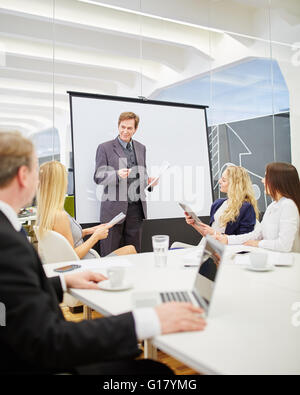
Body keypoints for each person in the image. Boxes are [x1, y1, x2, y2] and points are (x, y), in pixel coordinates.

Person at [0, 131, 206, 375]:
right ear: (23, 175)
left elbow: (13, 294)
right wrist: (148, 319)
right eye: (36, 170)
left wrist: (64, 281)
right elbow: (48, 341)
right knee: (157, 372)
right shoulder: (7, 241)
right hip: (47, 362)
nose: (38, 181)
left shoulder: (7, 229)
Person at [37, 161, 136, 259]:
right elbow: (72, 256)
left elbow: (66, 238)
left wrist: (90, 231)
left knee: (129, 249)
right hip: (86, 266)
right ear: (59, 183)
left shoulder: (45, 214)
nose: (67, 182)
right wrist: (96, 236)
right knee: (130, 250)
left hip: (85, 262)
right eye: (65, 177)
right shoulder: (59, 216)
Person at [94, 111, 157, 256]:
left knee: (134, 253)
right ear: (118, 126)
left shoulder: (141, 148)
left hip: (136, 210)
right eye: (122, 127)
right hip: (113, 211)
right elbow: (98, 176)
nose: (125, 131)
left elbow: (143, 172)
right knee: (109, 254)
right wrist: (116, 175)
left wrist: (149, 182)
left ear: (135, 129)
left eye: (129, 128)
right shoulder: (105, 148)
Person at [216, 162, 300, 253]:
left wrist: (258, 243)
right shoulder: (272, 206)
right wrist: (228, 239)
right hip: (273, 260)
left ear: (277, 181)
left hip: (286, 264)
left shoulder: (288, 205)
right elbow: (257, 234)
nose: (263, 181)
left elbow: (284, 246)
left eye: (266, 177)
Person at [185, 166, 259, 241]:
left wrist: (214, 233)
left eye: (223, 180)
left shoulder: (246, 208)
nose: (219, 181)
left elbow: (243, 240)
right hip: (210, 245)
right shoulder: (217, 204)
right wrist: (194, 224)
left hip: (227, 250)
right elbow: (208, 236)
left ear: (234, 184)